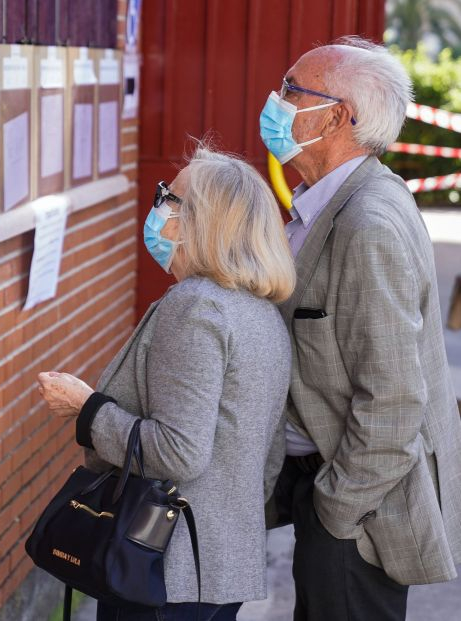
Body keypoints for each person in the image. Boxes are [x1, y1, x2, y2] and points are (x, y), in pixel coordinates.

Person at [37, 146, 296, 621]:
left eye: (168, 198)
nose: (157, 210)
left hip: (161, 565)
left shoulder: (195, 307)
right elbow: (268, 453)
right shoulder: (261, 314)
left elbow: (179, 452)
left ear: (202, 222)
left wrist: (87, 408)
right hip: (219, 563)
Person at [260, 36, 461, 621]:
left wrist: (336, 507)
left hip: (357, 511)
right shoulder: (327, 201)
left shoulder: (367, 223)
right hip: (327, 489)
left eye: (291, 90)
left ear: (337, 116)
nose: (276, 102)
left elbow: (396, 400)